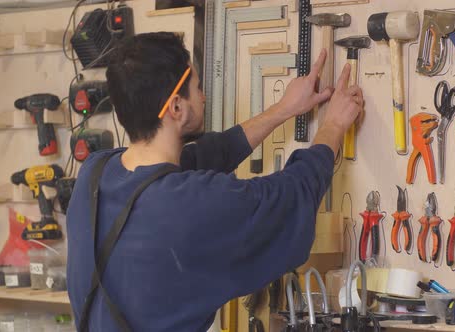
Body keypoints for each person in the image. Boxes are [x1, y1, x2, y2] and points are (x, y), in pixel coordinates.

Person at [66, 32, 363, 331]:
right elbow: (292, 196)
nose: (204, 96)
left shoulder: (94, 175)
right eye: (198, 88)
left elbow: (198, 159)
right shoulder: (193, 206)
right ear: (176, 108)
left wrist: (283, 110)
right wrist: (334, 125)